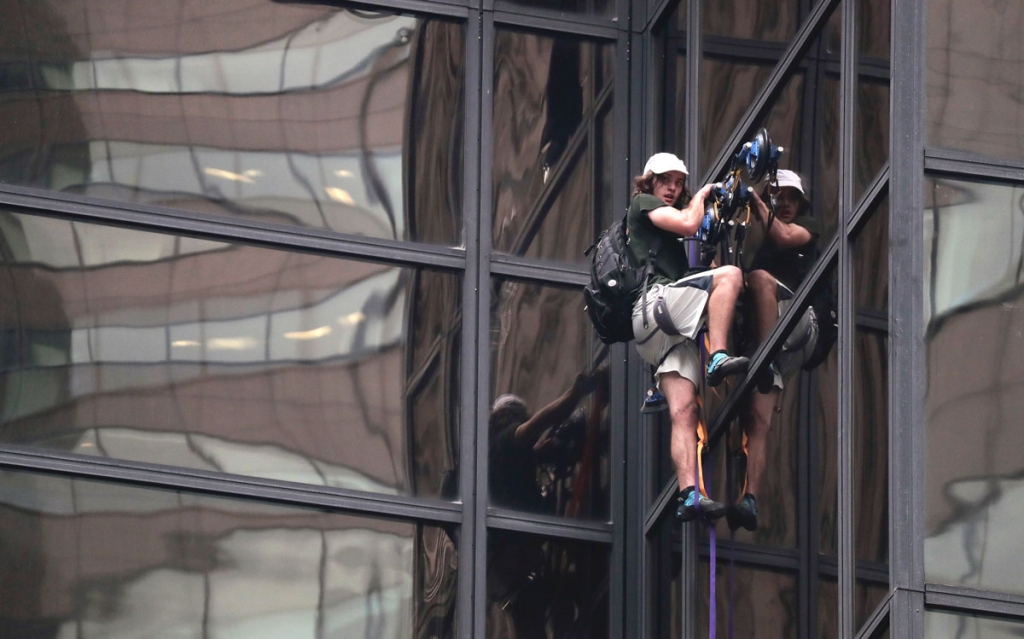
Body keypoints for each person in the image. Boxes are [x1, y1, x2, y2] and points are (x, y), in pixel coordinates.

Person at [628, 152, 749, 522]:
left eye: (679, 183)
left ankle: (689, 494)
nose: (673, 188)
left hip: (660, 334)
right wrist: (704, 195)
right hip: (656, 306)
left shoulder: (664, 246)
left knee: (685, 410)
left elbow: (694, 267)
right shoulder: (642, 204)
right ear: (649, 181)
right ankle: (718, 356)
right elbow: (687, 222)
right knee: (731, 277)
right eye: (666, 180)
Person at [729, 169, 820, 531]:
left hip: (799, 323)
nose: (784, 204)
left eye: (791, 198)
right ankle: (750, 497)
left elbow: (783, 236)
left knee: (759, 279)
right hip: (777, 340)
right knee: (759, 420)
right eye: (778, 196)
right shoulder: (761, 239)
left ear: (801, 204)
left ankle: (764, 358)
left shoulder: (807, 227)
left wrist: (754, 197)